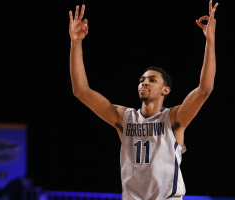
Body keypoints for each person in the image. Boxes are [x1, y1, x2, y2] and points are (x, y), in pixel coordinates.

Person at [69, 1, 218, 199]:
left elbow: (204, 90)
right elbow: (81, 91)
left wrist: (210, 40)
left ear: (166, 90)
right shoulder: (125, 118)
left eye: (151, 80)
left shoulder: (173, 119)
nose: (144, 83)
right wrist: (76, 42)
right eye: (141, 80)